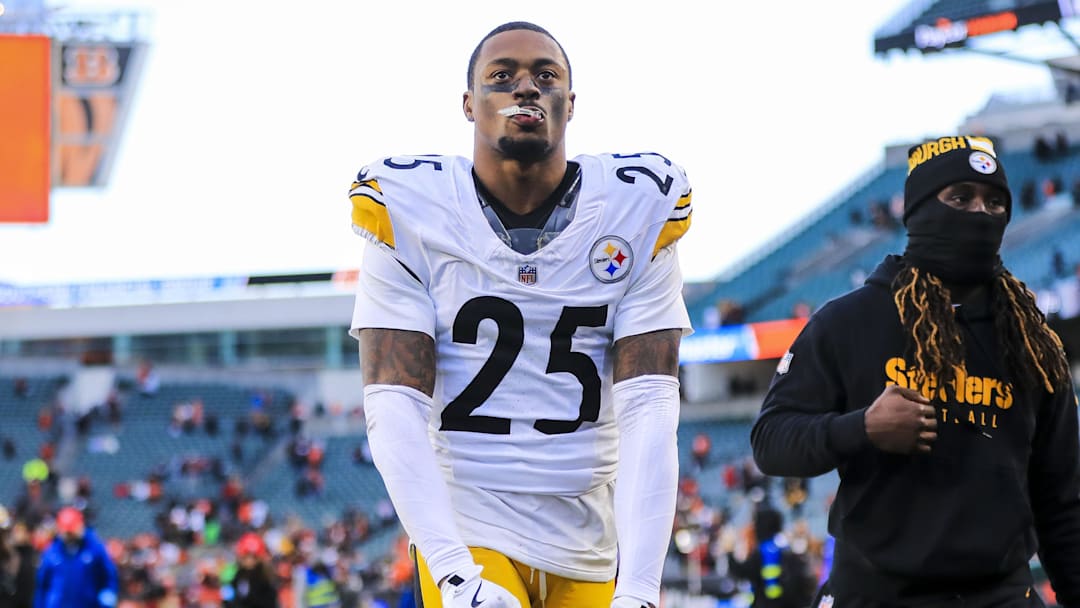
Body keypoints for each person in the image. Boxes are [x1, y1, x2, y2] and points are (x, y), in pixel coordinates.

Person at [347, 21, 692, 608]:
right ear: (469, 103)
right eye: (501, 76)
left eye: (545, 75)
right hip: (470, 520)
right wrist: (455, 574)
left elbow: (650, 405)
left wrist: (640, 588)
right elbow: (392, 405)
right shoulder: (411, 207)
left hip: (586, 530)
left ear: (571, 102)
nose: (525, 87)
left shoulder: (637, 208)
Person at [750, 135, 1080, 607]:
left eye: (994, 203)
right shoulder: (851, 320)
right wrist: (861, 428)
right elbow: (771, 442)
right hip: (876, 596)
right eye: (960, 198)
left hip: (1000, 597)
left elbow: (1061, 504)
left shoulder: (1032, 341)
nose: (980, 214)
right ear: (921, 210)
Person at [34, 507, 118, 608]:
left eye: (72, 532)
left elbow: (108, 576)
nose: (70, 537)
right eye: (67, 533)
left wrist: (108, 593)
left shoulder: (94, 548)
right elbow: (43, 585)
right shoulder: (52, 552)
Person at [223, 532, 279, 608]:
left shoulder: (265, 578)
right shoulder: (238, 575)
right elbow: (230, 598)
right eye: (246, 556)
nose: (249, 560)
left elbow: (269, 602)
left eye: (253, 557)